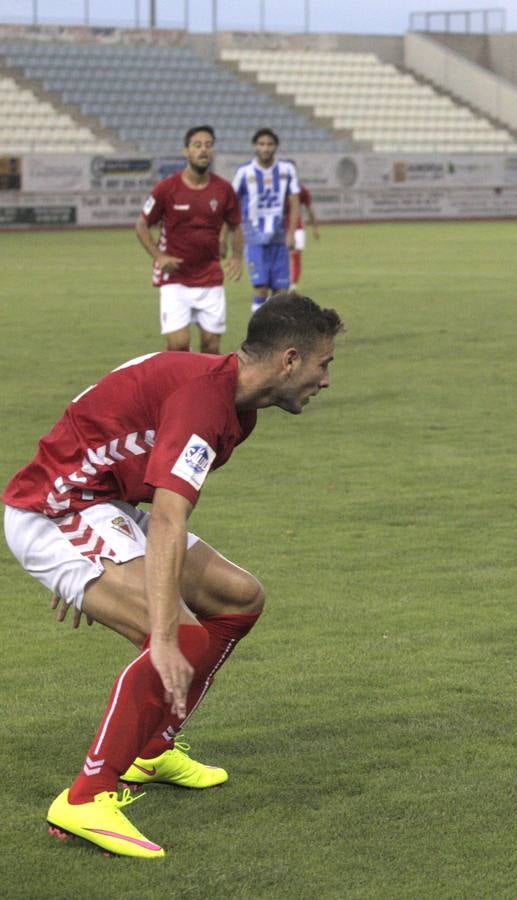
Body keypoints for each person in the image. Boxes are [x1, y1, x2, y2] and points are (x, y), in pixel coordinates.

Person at [3, 292, 344, 859]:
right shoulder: (203, 402)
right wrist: (152, 625)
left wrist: (110, 567)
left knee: (240, 599)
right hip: (56, 510)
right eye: (322, 363)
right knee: (177, 632)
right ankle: (85, 799)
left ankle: (152, 749)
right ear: (289, 359)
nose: (325, 378)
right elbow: (166, 516)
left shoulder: (238, 409)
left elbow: (151, 494)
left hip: (100, 505)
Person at [135, 125, 243, 354]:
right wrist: (159, 256)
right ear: (186, 151)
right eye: (197, 145)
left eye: (208, 145)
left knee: (211, 346)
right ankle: (179, 384)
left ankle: (204, 389)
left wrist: (236, 255)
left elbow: (235, 224)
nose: (203, 150)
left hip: (210, 275)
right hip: (175, 277)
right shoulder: (166, 188)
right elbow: (142, 225)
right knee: (178, 345)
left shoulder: (224, 189)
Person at [232, 128, 300, 314]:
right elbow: (231, 203)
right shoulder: (244, 172)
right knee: (260, 288)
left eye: (270, 144)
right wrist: (230, 233)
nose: (266, 148)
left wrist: (291, 233)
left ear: (276, 146)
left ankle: (278, 338)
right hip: (254, 239)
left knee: (281, 293)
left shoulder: (287, 170)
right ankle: (259, 337)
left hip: (279, 238)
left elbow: (295, 202)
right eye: (261, 144)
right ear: (255, 146)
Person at [289, 179, 318, 289]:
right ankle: (285, 283)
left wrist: (314, 227)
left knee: (295, 256)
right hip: (282, 229)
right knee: (283, 257)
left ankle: (293, 285)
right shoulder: (278, 188)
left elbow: (309, 208)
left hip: (298, 228)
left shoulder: (301, 189)